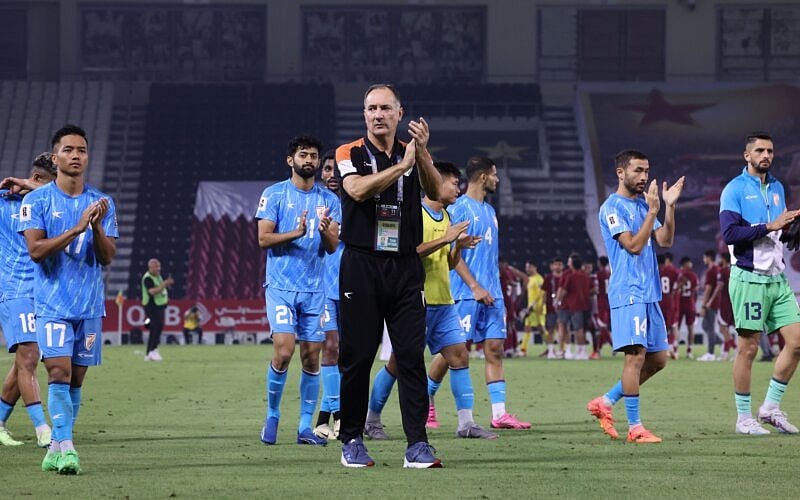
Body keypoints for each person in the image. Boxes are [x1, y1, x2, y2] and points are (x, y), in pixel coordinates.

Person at [336, 83, 442, 468]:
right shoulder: (349, 152)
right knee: (358, 356)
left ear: (400, 114)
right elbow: (356, 190)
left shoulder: (413, 151)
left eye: (385, 108)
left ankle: (417, 445)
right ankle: (352, 440)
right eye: (371, 108)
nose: (377, 115)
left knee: (411, 356)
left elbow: (436, 191)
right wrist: (401, 167)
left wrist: (422, 153)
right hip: (362, 264)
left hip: (405, 266)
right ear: (364, 115)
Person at [364, 161, 496, 440]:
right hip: (415, 302)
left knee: (459, 356)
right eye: (453, 184)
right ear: (435, 183)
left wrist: (457, 247)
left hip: (444, 302)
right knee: (397, 364)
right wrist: (446, 239)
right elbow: (407, 253)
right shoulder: (414, 214)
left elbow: (449, 263)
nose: (458, 189)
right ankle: (371, 420)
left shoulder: (446, 217)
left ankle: (466, 424)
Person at [21, 124, 118, 474]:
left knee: (75, 380)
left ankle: (56, 449)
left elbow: (108, 257)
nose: (76, 156)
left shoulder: (103, 202)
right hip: (52, 305)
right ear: (55, 156)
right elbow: (36, 250)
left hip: (89, 306)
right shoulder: (36, 201)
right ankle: (69, 450)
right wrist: (76, 228)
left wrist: (96, 227)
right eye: (68, 150)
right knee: (58, 372)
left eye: (81, 150)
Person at [587, 149, 684, 443]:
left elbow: (665, 240)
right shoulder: (611, 208)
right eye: (638, 170)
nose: (644, 177)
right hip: (628, 291)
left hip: (649, 292)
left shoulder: (643, 205)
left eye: (646, 171)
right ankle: (635, 428)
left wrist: (669, 207)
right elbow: (632, 246)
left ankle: (605, 401)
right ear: (621, 173)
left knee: (659, 360)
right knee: (636, 357)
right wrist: (653, 212)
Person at [256, 134, 340, 447]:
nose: (309, 160)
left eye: (313, 156)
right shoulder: (274, 194)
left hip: (315, 291)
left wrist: (325, 232)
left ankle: (305, 427)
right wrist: (297, 232)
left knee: (311, 357)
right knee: (284, 351)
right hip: (280, 287)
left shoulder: (329, 201)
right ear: (290, 160)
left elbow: (332, 247)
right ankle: (272, 415)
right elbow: (263, 239)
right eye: (303, 155)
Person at [719, 131, 800, 435]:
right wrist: (770, 225)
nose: (766, 155)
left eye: (770, 151)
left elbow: (777, 231)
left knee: (797, 342)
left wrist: (789, 229)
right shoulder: (734, 189)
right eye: (760, 151)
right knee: (749, 348)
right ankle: (743, 418)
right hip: (748, 278)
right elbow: (730, 234)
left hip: (777, 278)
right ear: (747, 155)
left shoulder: (777, 187)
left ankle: (770, 408)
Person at [449, 156, 531, 430]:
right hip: (465, 293)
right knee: (453, 353)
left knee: (495, 349)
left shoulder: (490, 211)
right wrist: (475, 286)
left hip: (492, 294)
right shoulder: (459, 208)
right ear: (483, 177)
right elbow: (451, 255)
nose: (497, 179)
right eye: (495, 175)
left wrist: (492, 289)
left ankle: (499, 414)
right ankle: (429, 404)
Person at [0, 153, 56, 448]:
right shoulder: (4, 202)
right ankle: (42, 430)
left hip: (43, 291)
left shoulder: (48, 205)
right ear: (37, 178)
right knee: (31, 355)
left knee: (23, 361)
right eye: (53, 182)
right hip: (15, 289)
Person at [313, 150, 343, 441]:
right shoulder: (315, 202)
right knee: (331, 346)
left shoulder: (355, 202)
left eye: (336, 169)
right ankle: (341, 414)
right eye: (327, 169)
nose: (332, 175)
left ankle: (323, 419)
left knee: (347, 353)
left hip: (351, 286)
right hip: (323, 288)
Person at [556, 253, 592, 360]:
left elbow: (563, 290)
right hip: (585, 305)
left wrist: (558, 301)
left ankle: (577, 352)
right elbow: (593, 289)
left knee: (576, 329)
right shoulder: (585, 275)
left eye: (569, 261)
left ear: (572, 263)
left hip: (573, 305)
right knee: (581, 329)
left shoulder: (570, 276)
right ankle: (581, 351)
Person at [142, 258, 174, 360]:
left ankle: (149, 353)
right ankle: (153, 350)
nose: (158, 268)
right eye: (156, 266)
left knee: (153, 328)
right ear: (150, 267)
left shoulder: (157, 276)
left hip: (158, 306)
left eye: (159, 266)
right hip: (151, 306)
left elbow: (161, 289)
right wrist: (164, 284)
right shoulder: (147, 278)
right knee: (158, 326)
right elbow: (152, 291)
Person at [698, 250, 722, 361]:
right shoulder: (717, 269)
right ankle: (721, 342)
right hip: (715, 302)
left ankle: (711, 353)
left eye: (704, 257)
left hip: (710, 304)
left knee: (710, 327)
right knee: (705, 326)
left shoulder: (711, 270)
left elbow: (708, 289)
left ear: (708, 257)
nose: (704, 259)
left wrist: (704, 305)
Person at [519, 261, 545, 357]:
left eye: (529, 267)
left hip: (537, 308)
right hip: (530, 309)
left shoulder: (539, 279)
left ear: (535, 267)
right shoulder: (529, 279)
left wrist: (536, 305)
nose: (527, 269)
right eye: (526, 267)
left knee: (541, 329)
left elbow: (542, 293)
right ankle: (523, 349)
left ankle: (550, 347)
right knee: (527, 328)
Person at [658, 253, 681, 359]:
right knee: (673, 325)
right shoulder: (675, 271)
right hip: (672, 302)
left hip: (661, 301)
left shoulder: (659, 271)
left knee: (664, 326)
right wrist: (674, 292)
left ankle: (667, 348)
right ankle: (673, 348)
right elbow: (680, 282)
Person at [676, 256, 699, 358]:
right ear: (686, 264)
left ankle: (675, 349)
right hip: (690, 303)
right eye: (689, 262)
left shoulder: (678, 273)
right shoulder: (693, 275)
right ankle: (689, 351)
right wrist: (694, 303)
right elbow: (695, 291)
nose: (691, 264)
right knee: (690, 327)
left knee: (676, 327)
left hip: (679, 303)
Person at [541, 258, 564, 358]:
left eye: (560, 264)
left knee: (563, 329)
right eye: (556, 264)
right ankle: (550, 351)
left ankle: (562, 350)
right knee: (550, 329)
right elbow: (544, 293)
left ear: (563, 266)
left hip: (563, 307)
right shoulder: (548, 278)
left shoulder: (565, 276)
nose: (558, 266)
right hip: (550, 307)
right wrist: (542, 305)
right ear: (552, 266)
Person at [716, 252, 736, 360]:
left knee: (722, 328)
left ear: (723, 259)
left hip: (724, 302)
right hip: (733, 302)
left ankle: (736, 349)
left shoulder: (722, 271)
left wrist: (710, 301)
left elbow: (719, 287)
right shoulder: (733, 270)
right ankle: (725, 353)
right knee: (727, 327)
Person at [593, 256, 613, 358]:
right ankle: (598, 349)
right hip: (609, 301)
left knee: (602, 326)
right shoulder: (609, 274)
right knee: (602, 327)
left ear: (600, 263)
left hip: (601, 302)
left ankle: (613, 345)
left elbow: (596, 289)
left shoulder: (598, 274)